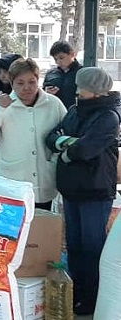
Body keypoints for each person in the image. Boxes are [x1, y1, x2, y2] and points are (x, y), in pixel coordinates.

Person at [46, 67, 120, 316]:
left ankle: (91, 298)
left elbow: (87, 149)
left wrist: (66, 149)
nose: (77, 90)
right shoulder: (75, 110)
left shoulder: (108, 117)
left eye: (81, 86)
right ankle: (76, 291)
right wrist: (66, 142)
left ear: (95, 90)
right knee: (75, 245)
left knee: (91, 246)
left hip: (95, 191)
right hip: (71, 189)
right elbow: (51, 137)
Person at [0, 58, 66, 210]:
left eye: (32, 82)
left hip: (45, 180)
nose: (27, 88)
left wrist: (54, 160)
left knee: (44, 220)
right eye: (20, 83)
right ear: (12, 83)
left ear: (38, 80)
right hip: (13, 182)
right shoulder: (3, 105)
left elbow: (66, 131)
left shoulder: (53, 104)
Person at [45, 40, 83, 109]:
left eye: (61, 58)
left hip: (75, 112)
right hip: (55, 111)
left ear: (72, 54)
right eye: (55, 59)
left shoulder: (82, 73)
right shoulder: (51, 74)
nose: (58, 62)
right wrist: (46, 92)